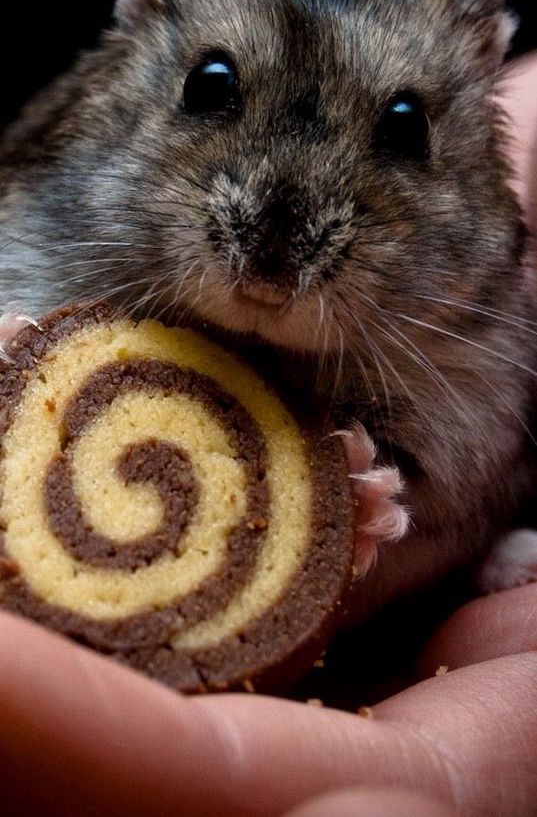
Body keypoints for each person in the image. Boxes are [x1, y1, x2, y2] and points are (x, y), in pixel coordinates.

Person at [0, 57, 535, 817]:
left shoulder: (470, 336)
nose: (270, 263)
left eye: (399, 129)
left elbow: (461, 477)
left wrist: (369, 520)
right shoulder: (60, 203)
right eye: (214, 92)